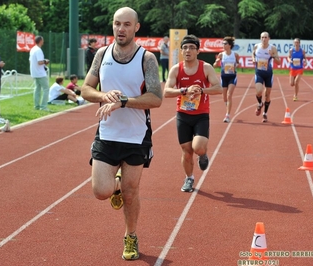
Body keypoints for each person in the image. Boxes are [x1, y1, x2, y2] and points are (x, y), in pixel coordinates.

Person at [81, 7, 163, 261]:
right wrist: (103, 95)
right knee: (100, 191)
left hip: (136, 136)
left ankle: (131, 235)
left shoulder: (147, 59)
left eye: (127, 24)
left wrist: (123, 101)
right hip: (107, 133)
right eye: (117, 24)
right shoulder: (101, 55)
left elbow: (156, 98)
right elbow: (86, 89)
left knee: (130, 192)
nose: (121, 29)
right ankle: (114, 185)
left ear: (136, 27)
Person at [164, 34, 222, 193]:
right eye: (185, 48)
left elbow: (218, 88)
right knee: (187, 151)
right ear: (182, 51)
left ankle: (203, 155)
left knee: (198, 148)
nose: (187, 50)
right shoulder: (176, 69)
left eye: (191, 47)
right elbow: (166, 92)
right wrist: (184, 90)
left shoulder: (206, 68)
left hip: (201, 114)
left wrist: (202, 90)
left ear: (198, 51)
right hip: (183, 115)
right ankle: (189, 178)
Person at [252, 32, 281, 122]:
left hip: (268, 74)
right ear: (260, 38)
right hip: (259, 72)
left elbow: (278, 62)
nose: (264, 39)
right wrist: (253, 59)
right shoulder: (257, 46)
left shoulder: (272, 48)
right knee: (259, 92)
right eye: (262, 37)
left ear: (269, 38)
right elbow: (253, 53)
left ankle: (265, 114)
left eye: (265, 37)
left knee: (267, 95)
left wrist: (272, 55)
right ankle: (260, 103)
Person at [213, 36, 240, 123]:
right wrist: (216, 62)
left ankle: (227, 115)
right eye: (223, 43)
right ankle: (227, 105)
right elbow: (214, 65)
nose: (223, 45)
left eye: (225, 43)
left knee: (229, 95)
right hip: (224, 77)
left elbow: (238, 63)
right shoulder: (221, 54)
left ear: (230, 45)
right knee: (224, 97)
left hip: (232, 77)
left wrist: (236, 65)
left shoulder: (235, 55)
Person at [29, 36, 50, 111]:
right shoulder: (38, 50)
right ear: (40, 41)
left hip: (34, 72)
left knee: (37, 89)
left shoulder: (32, 49)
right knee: (46, 88)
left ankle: (37, 106)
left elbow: (31, 61)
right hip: (40, 73)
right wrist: (45, 61)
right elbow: (40, 62)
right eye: (43, 40)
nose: (43, 42)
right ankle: (43, 106)